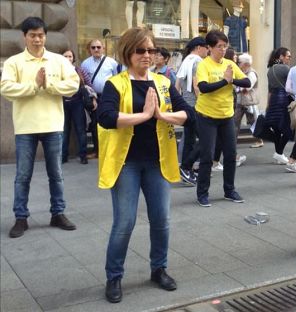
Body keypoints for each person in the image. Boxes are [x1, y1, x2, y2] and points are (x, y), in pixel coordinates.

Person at [97, 27, 194, 303]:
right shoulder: (116, 83)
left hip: (157, 162)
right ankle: (114, 276)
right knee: (124, 222)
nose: (147, 55)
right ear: (128, 52)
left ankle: (159, 269)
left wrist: (162, 115)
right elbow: (105, 117)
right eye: (141, 50)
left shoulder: (162, 83)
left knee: (161, 220)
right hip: (126, 162)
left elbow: (187, 113)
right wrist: (143, 116)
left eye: (151, 50)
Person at [1, 17, 80, 238]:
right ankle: (21, 217)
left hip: (53, 124)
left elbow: (73, 85)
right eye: (33, 35)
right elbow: (6, 89)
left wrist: (49, 85)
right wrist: (34, 85)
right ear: (24, 36)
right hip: (25, 127)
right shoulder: (14, 62)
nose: (37, 39)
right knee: (23, 175)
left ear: (46, 36)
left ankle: (58, 213)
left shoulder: (58, 60)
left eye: (41, 35)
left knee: (56, 174)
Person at [195, 30, 250, 207]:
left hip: (226, 116)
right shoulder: (204, 65)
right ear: (209, 48)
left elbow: (247, 82)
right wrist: (225, 81)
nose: (223, 50)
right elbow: (203, 87)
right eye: (219, 46)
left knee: (231, 154)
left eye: (225, 46)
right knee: (207, 156)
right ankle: (202, 193)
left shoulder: (229, 64)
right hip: (207, 116)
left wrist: (231, 80)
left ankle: (229, 190)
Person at [175, 36, 209, 186]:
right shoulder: (197, 62)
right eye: (206, 47)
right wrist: (204, 104)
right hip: (196, 105)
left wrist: (179, 103)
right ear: (198, 48)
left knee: (189, 139)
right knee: (207, 139)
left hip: (186, 105)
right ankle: (186, 167)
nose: (208, 51)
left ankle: (187, 171)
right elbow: (197, 86)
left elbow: (177, 84)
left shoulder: (186, 61)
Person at [81, 39, 119, 158]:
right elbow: (84, 84)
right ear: (89, 49)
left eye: (98, 47)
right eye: (93, 47)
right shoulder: (85, 64)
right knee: (95, 125)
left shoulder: (112, 63)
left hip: (109, 98)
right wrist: (91, 98)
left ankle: (112, 150)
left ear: (103, 48)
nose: (96, 49)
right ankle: (98, 151)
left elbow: (117, 79)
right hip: (95, 98)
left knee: (112, 122)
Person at [62, 49, 92, 165]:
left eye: (70, 56)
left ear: (73, 58)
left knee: (81, 130)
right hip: (63, 102)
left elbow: (88, 85)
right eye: (65, 56)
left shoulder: (79, 70)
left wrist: (92, 98)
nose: (68, 58)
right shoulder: (58, 71)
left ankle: (83, 155)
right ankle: (64, 156)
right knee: (64, 131)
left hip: (78, 102)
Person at [266, 47, 292, 165]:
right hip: (283, 100)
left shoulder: (270, 70)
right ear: (281, 57)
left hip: (273, 100)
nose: (289, 59)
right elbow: (292, 85)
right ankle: (279, 153)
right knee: (288, 130)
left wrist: (267, 105)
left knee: (276, 129)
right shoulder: (285, 69)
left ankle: (279, 155)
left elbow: (270, 90)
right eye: (288, 56)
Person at [235, 53, 262, 148]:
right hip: (242, 101)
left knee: (252, 121)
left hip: (248, 102)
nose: (238, 64)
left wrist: (237, 89)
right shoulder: (243, 72)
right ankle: (232, 142)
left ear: (246, 63)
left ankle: (260, 139)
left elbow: (247, 86)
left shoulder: (251, 73)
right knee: (236, 122)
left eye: (240, 62)